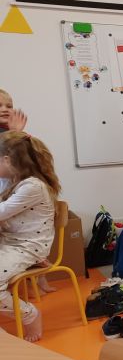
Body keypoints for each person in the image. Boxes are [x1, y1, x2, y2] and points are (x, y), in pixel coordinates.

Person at [0, 131, 61, 342]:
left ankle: (29, 314)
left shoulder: (33, 186)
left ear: (7, 160)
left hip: (27, 246)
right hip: (10, 242)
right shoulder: (11, 181)